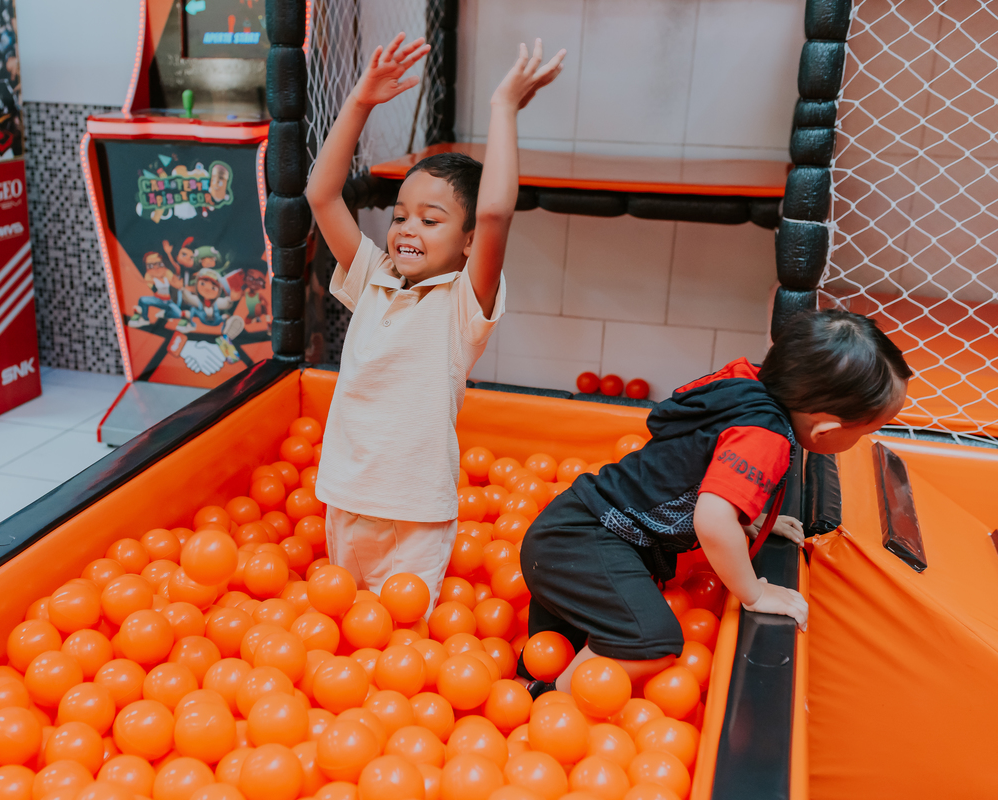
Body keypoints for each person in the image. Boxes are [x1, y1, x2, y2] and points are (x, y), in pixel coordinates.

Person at [517, 309, 912, 692]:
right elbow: (711, 518)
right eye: (863, 432)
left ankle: (529, 676)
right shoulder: (765, 436)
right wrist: (753, 593)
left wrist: (747, 511)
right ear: (826, 431)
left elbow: (702, 461)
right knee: (650, 642)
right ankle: (548, 701)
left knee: (562, 646)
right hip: (586, 543)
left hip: (567, 532)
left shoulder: (744, 381)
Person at [305, 32, 566, 601]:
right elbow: (322, 195)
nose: (406, 230)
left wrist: (503, 108)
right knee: (343, 630)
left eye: (431, 220)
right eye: (400, 216)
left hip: (416, 513)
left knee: (402, 644)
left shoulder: (462, 305)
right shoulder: (372, 277)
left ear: (468, 241)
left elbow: (496, 211)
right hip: (347, 497)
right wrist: (360, 101)